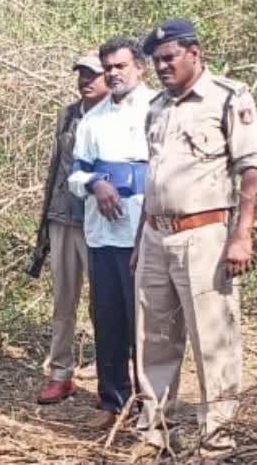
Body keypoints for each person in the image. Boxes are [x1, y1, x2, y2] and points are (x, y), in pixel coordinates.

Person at [133, 20, 257, 456]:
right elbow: (153, 181)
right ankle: (154, 431)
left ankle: (216, 439)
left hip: (205, 236)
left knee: (213, 340)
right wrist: (139, 242)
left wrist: (242, 235)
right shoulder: (155, 107)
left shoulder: (228, 97)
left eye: (170, 58)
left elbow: (251, 169)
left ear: (195, 52)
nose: (163, 67)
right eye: (157, 61)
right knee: (154, 339)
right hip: (155, 235)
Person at [67, 38, 155, 429]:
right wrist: (97, 183)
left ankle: (150, 403)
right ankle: (112, 401)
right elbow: (75, 175)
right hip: (102, 234)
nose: (114, 73)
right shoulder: (92, 119)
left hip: (144, 234)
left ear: (140, 68)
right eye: (109, 67)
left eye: (121, 66)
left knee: (145, 323)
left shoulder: (158, 110)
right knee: (108, 318)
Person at [33, 54, 108, 404]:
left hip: (100, 222)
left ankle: (111, 376)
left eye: (93, 74)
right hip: (63, 218)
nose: (86, 81)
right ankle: (60, 373)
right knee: (63, 302)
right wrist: (45, 224)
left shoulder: (116, 117)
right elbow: (55, 171)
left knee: (104, 303)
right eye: (82, 74)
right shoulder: (68, 115)